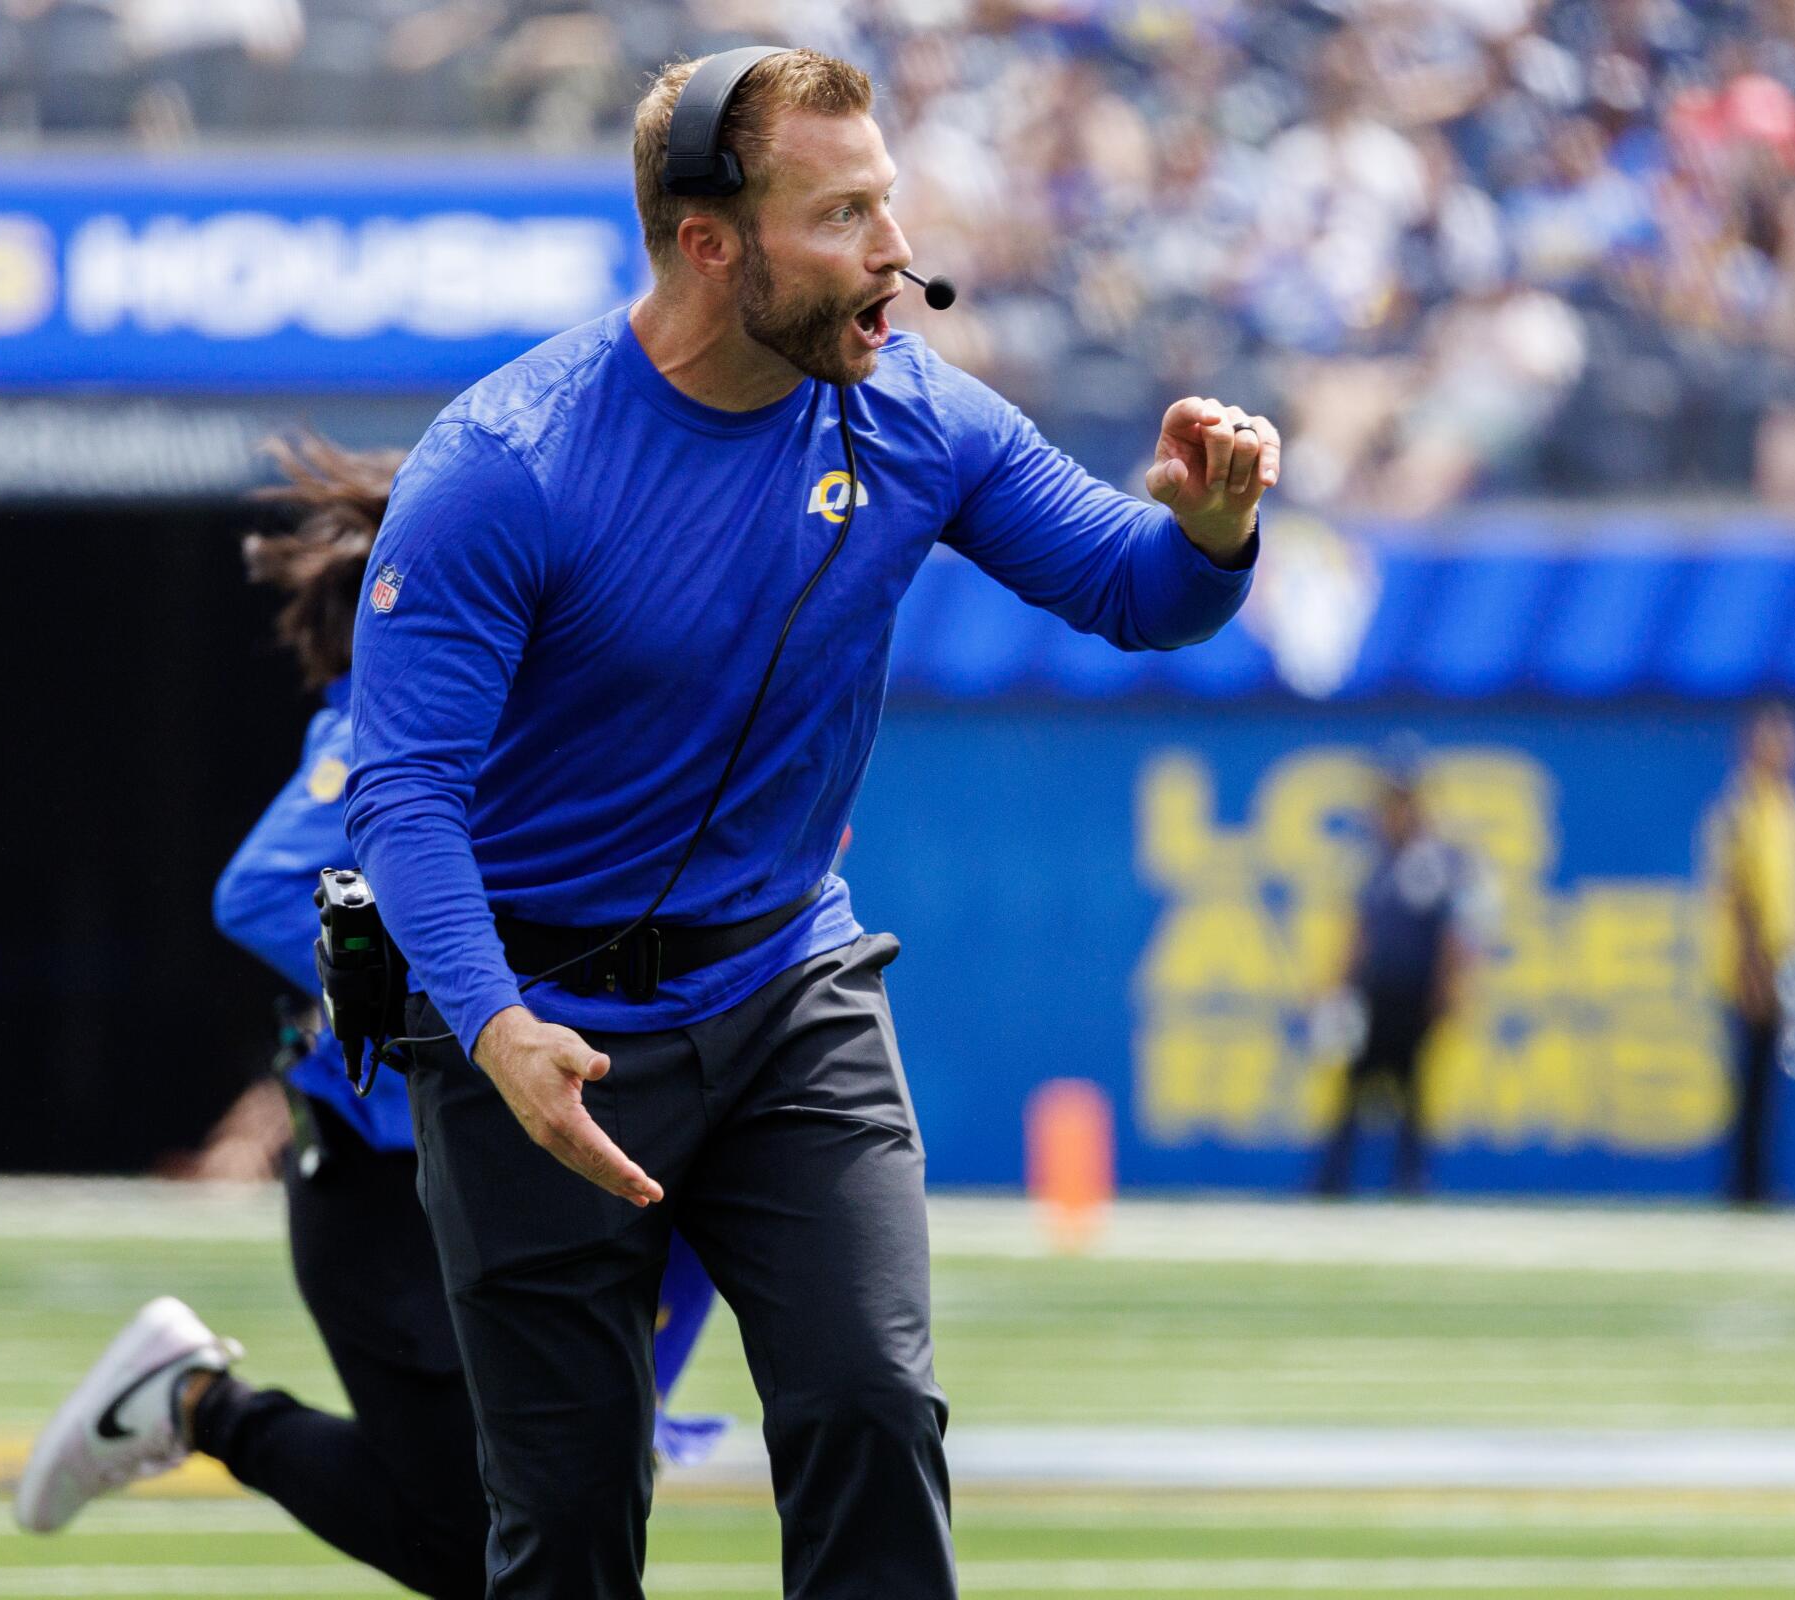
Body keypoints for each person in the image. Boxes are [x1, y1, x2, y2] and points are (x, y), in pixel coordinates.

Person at [346, 47, 1273, 1599]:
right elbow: (402, 796)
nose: (897, 254)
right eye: (845, 215)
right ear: (713, 240)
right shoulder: (504, 468)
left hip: (787, 999)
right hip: (532, 1033)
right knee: (565, 1520)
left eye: (890, 204)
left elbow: (1134, 588)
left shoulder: (916, 412)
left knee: (871, 1409)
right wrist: (498, 1032)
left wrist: (1214, 530)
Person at [13, 438, 724, 1595]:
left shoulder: (566, 725)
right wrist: (455, 1013)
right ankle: (198, 1403)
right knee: (481, 1538)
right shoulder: (386, 728)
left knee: (536, 1513)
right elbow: (257, 892)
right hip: (386, 1188)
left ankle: (195, 1402)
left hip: (498, 1173)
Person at [1313, 746, 1482, 1198]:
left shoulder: (1439, 861)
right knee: (1352, 1090)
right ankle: (1331, 1183)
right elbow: (1361, 931)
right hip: (1372, 996)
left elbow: (1456, 933)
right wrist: (1338, 986)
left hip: (1414, 998)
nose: (1391, 813)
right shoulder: (1375, 860)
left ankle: (1410, 1182)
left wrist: (1450, 991)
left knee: (1413, 1094)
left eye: (1399, 802)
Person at [1703, 702, 1795, 1207]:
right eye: (1775, 738)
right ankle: (1745, 1186)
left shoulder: (1791, 807)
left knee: (1771, 1079)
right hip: (1752, 961)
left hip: (1786, 958)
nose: (1787, 749)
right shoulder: (1740, 808)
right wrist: (1752, 966)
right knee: (1749, 1077)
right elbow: (1741, 891)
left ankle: (1759, 1181)